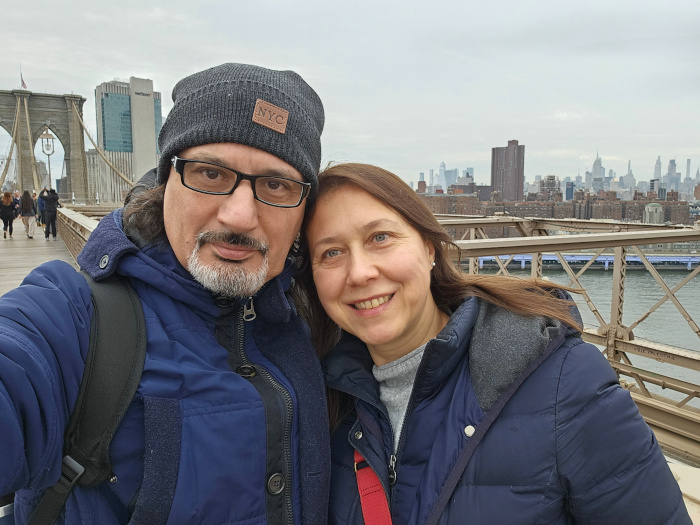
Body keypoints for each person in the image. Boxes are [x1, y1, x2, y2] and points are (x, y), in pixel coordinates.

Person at [0, 63, 330, 524]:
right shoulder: (74, 318)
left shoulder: (325, 319)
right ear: (165, 182)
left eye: (276, 185)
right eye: (211, 173)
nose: (239, 215)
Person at [298, 163, 691, 524]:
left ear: (429, 248)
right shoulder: (320, 399)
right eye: (331, 252)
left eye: (380, 237)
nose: (360, 272)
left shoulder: (565, 382)